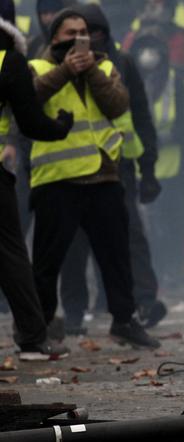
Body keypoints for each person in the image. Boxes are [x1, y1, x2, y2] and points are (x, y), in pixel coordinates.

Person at [29, 8, 160, 348]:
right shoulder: (39, 66)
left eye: (82, 32)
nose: (77, 38)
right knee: (51, 260)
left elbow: (118, 105)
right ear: (53, 37)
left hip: (102, 176)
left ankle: (124, 320)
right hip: (56, 179)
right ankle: (40, 325)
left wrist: (88, 72)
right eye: (68, 32)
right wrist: (64, 71)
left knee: (116, 257)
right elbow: (29, 101)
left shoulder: (105, 67)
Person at [0, 0, 72, 360]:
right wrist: (60, 127)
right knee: (11, 251)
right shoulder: (8, 60)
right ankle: (32, 337)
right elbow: (30, 121)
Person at [131, 28, 184, 293]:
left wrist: (160, 138)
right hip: (138, 164)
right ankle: (149, 272)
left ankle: (174, 270)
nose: (148, 57)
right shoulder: (129, 83)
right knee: (145, 225)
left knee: (172, 220)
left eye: (153, 50)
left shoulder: (175, 82)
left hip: (171, 164)